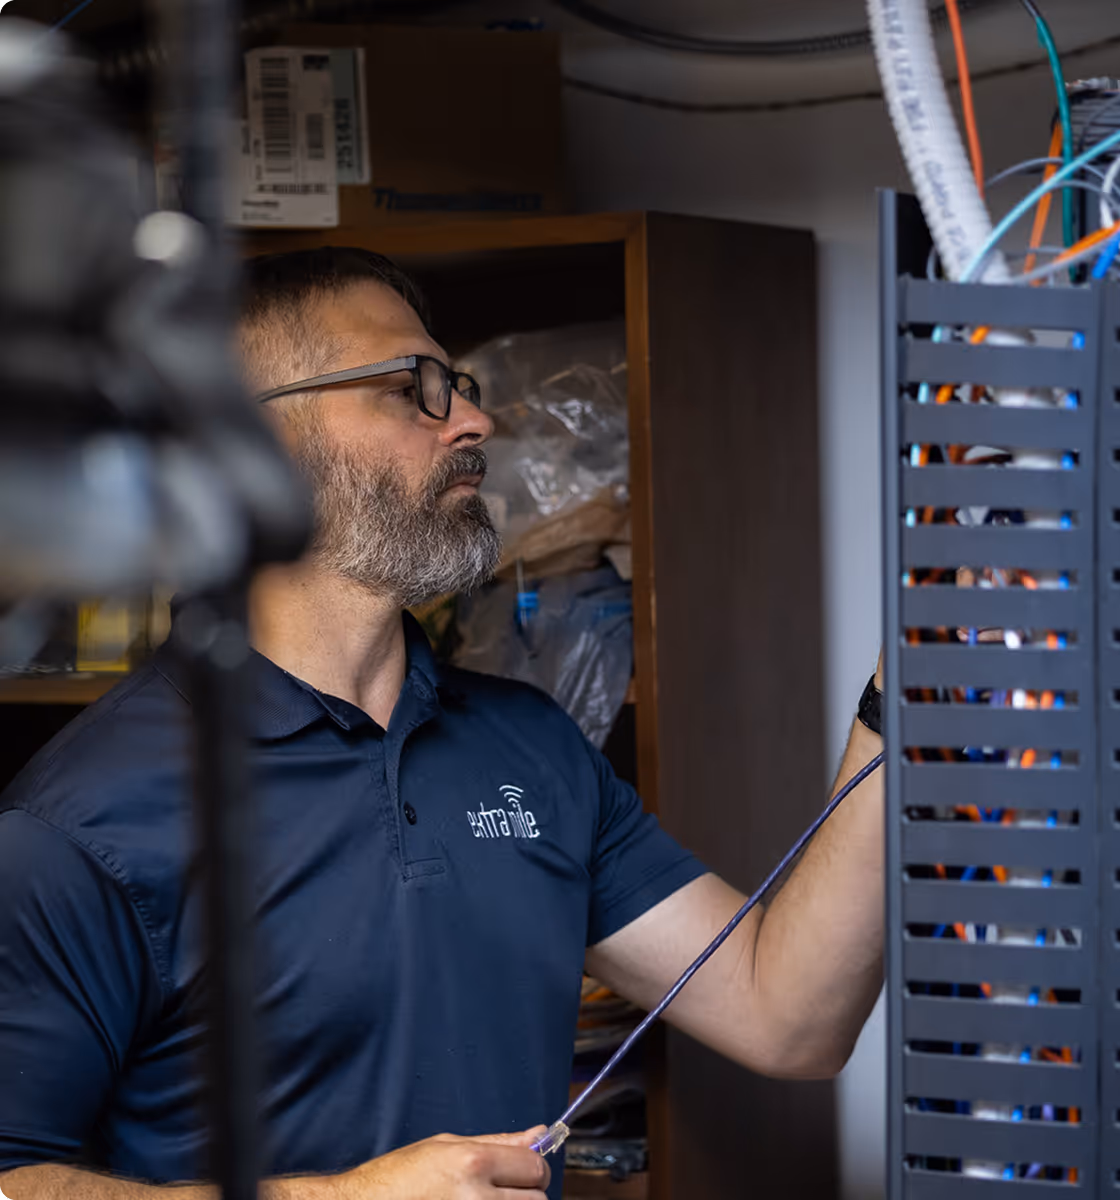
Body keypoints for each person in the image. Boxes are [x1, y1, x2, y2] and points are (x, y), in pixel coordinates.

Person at [0, 248, 885, 1200]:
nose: (474, 419)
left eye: (454, 382)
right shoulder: (81, 824)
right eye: (410, 387)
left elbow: (788, 1016)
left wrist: (900, 697)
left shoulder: (530, 747)